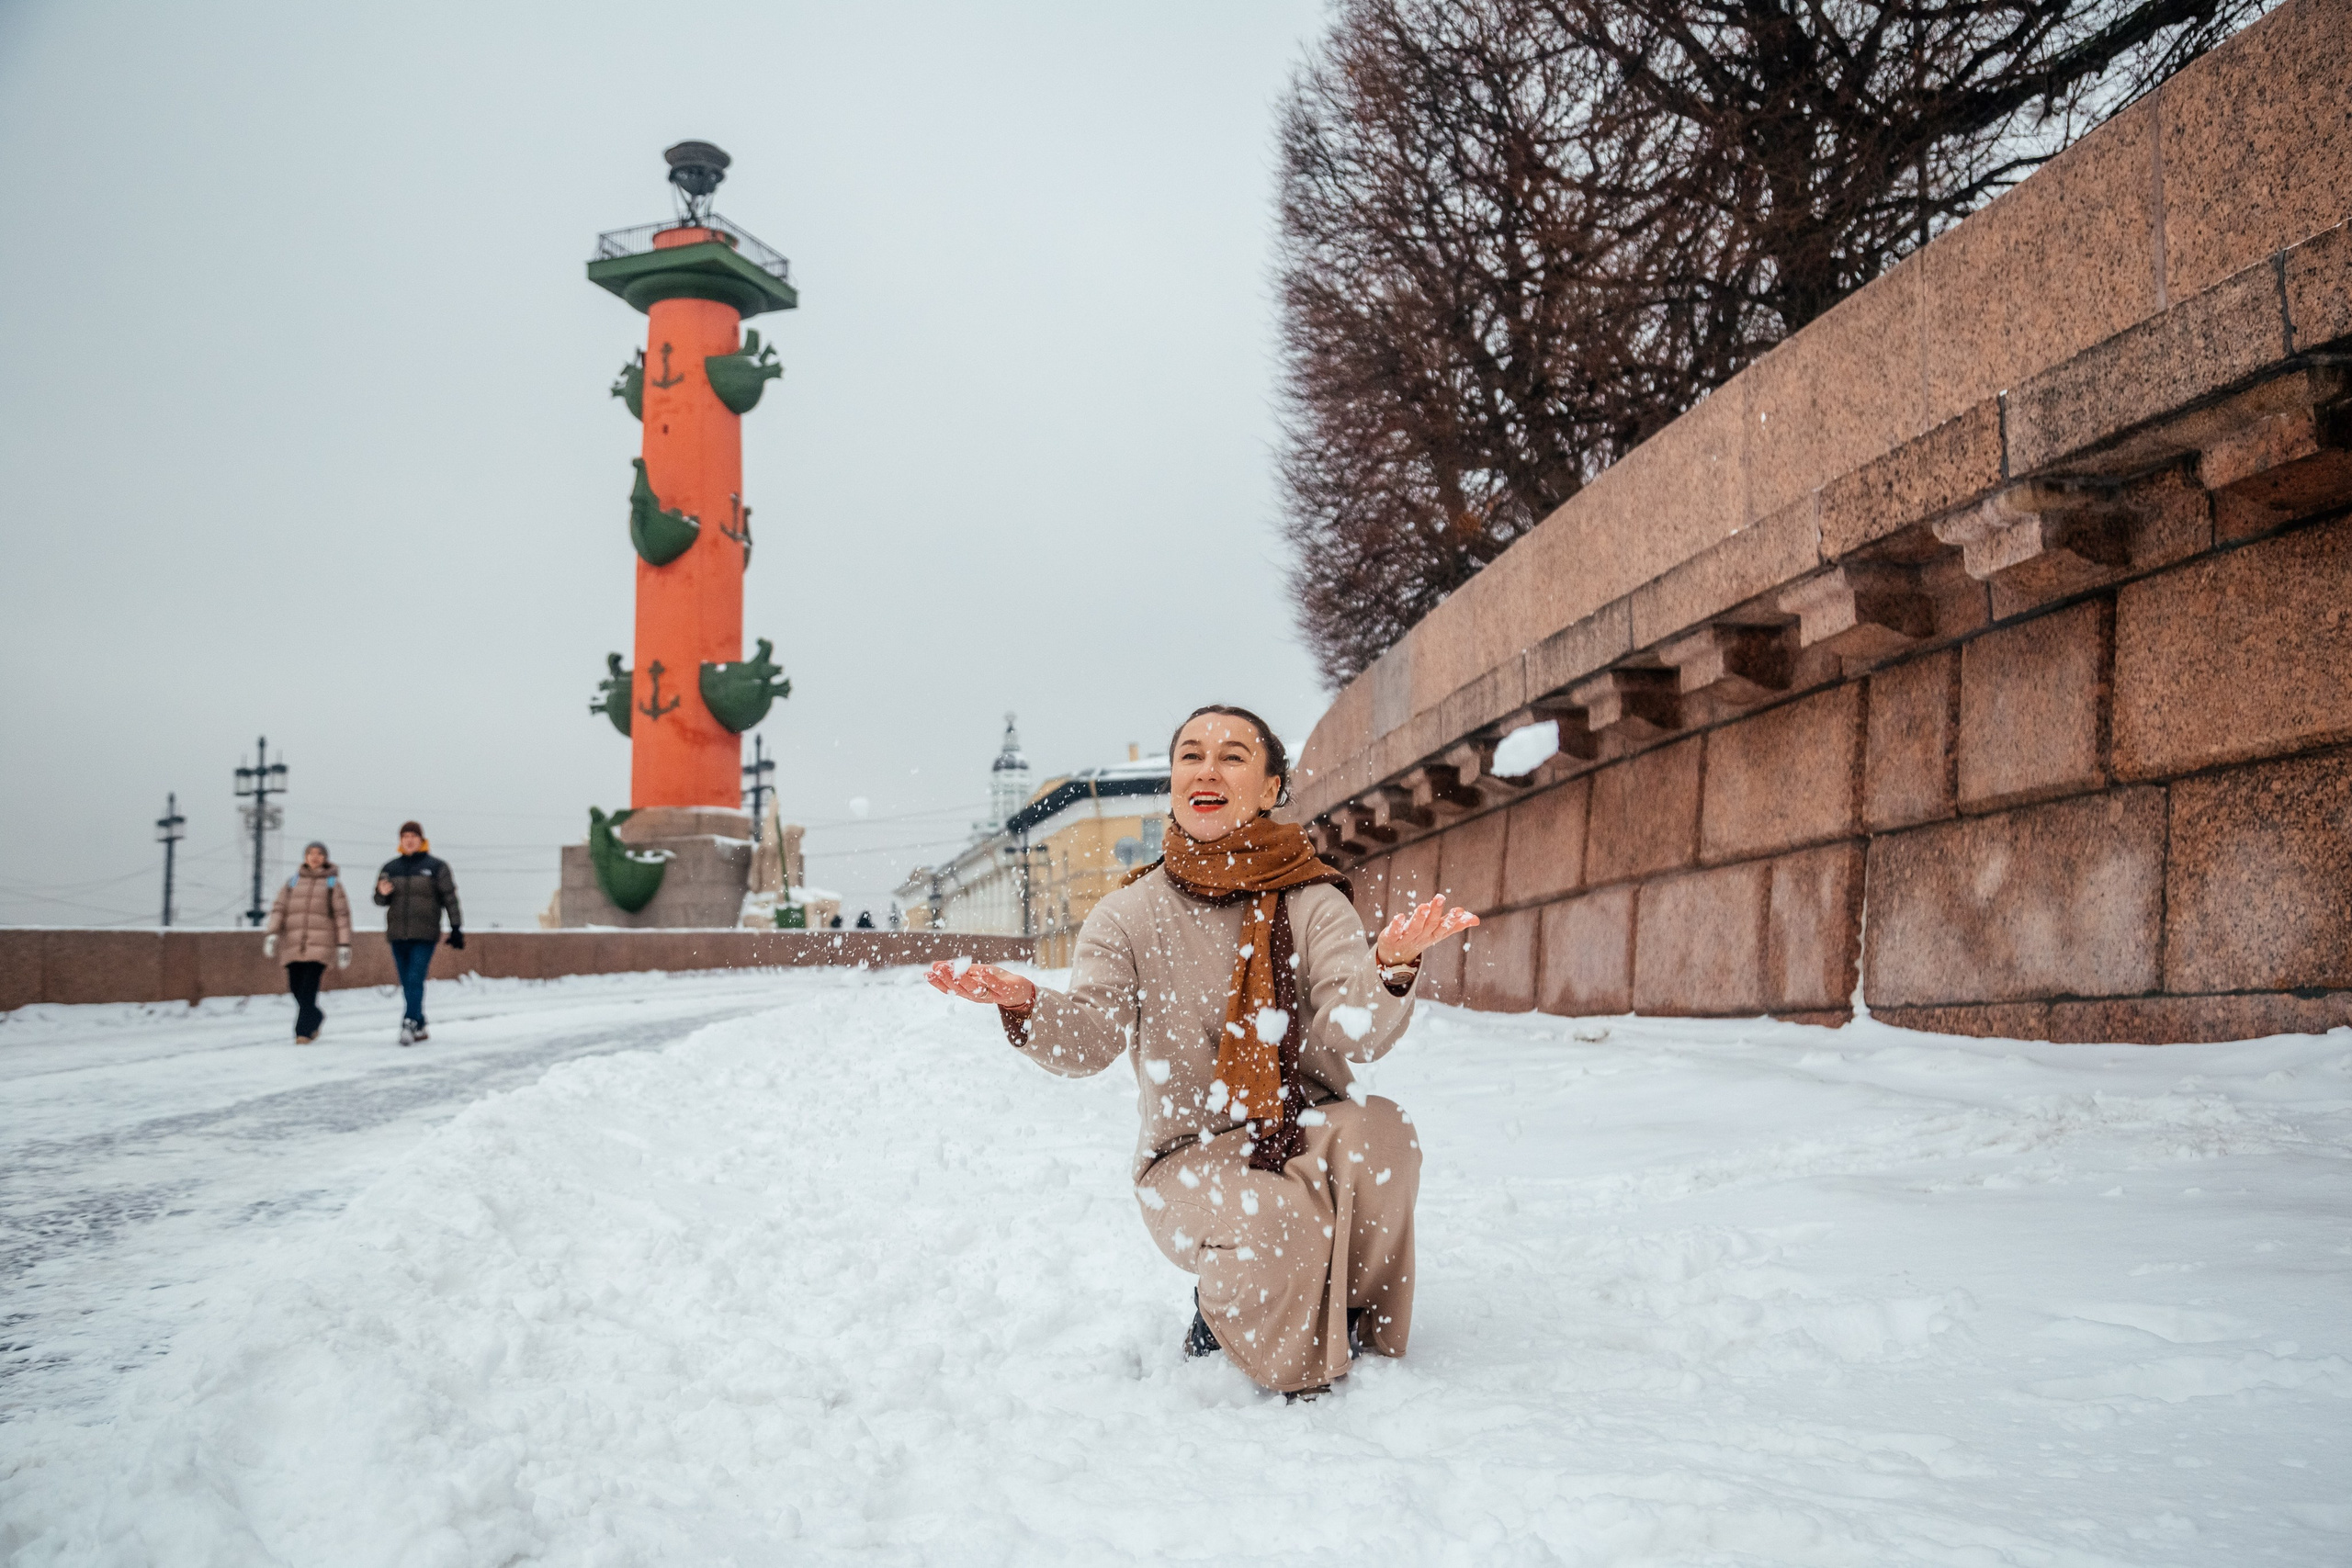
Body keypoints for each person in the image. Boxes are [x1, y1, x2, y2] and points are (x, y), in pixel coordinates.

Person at [929, 705, 1476, 1399]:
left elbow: (1355, 1030)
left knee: (1385, 1131)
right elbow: (1092, 1036)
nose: (1206, 769)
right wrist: (1028, 1003)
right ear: (1174, 779)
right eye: (1190, 755)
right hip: (1189, 1155)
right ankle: (1231, 1325)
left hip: (1303, 1127)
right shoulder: (1128, 913)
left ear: (1271, 787)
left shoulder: (1314, 900)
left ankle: (1345, 1310)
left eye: (1231, 755)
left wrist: (1390, 967)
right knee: (1277, 1216)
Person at [374, 820, 463, 1046]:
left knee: (415, 977)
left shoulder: (436, 867)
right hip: (397, 933)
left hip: (425, 933)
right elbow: (379, 900)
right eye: (405, 836)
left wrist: (456, 927)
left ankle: (409, 1022)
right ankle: (420, 1024)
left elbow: (450, 898)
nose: (409, 840)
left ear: (421, 839)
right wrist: (381, 893)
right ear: (400, 841)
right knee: (407, 981)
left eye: (413, 836)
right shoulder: (390, 868)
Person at [262, 840, 353, 1044]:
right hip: (293, 944)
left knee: (309, 987)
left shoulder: (332, 885)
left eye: (319, 853)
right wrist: (272, 933)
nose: (315, 857)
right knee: (295, 986)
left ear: (325, 858)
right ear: (305, 857)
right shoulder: (292, 883)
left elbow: (342, 916)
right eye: (311, 853)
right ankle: (316, 1015)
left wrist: (344, 945)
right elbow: (279, 909)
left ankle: (302, 1031)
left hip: (320, 944)